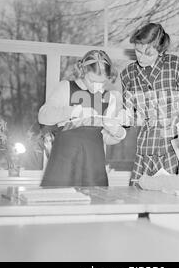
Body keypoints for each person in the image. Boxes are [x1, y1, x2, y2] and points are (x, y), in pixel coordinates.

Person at [121, 23, 179, 182]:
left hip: (173, 147)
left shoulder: (175, 65)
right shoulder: (128, 74)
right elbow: (129, 117)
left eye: (148, 54)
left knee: (169, 198)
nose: (141, 57)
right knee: (139, 196)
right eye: (137, 51)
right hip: (144, 148)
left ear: (161, 51)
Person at [38, 50, 126, 186]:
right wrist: (75, 110)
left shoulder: (109, 98)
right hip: (64, 162)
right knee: (59, 203)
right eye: (92, 80)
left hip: (94, 165)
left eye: (102, 82)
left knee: (95, 204)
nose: (97, 87)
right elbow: (43, 116)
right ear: (83, 71)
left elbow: (104, 138)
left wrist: (117, 133)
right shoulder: (66, 87)